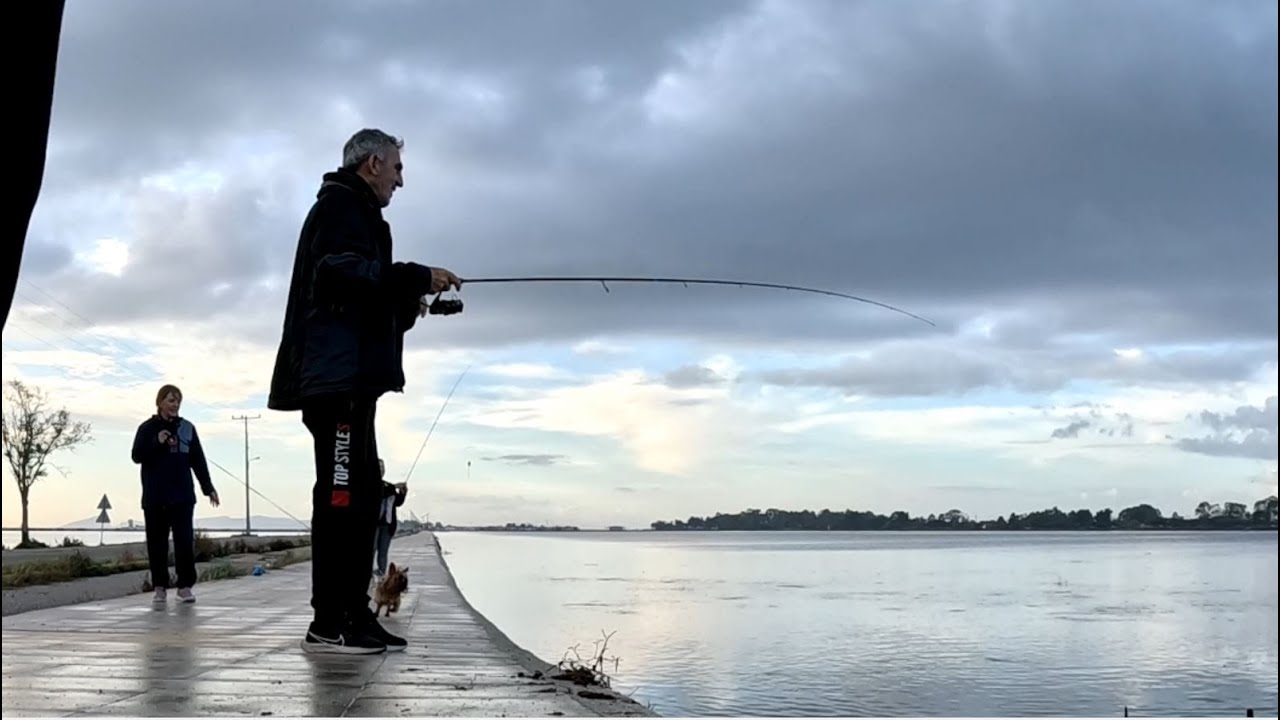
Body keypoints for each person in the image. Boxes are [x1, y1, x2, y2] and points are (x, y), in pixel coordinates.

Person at [267, 128, 461, 655]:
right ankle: (330, 622)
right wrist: (416, 276)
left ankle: (353, 614)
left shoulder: (360, 214)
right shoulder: (340, 207)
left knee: (363, 498)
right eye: (397, 168)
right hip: (336, 384)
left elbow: (361, 292)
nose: (401, 180)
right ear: (373, 163)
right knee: (342, 501)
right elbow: (340, 276)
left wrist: (407, 303)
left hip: (354, 382)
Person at [130, 384, 220, 605]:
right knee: (157, 545)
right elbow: (136, 456)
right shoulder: (147, 428)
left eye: (178, 401)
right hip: (155, 498)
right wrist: (156, 442)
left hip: (182, 497)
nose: (175, 404)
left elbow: (198, 460)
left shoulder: (187, 428)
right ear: (160, 402)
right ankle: (160, 587)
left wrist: (208, 488)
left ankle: (185, 586)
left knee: (184, 543)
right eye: (171, 400)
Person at [374, 459, 408, 578]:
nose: (381, 470)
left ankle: (381, 574)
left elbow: (397, 502)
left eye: (382, 468)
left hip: (387, 525)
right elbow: (382, 491)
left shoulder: (389, 487)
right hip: (374, 525)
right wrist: (395, 486)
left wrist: (403, 492)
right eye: (379, 467)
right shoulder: (370, 484)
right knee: (372, 550)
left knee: (383, 551)